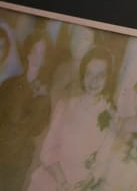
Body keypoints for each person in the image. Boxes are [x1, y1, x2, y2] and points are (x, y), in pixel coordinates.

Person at [27, 47, 115, 191]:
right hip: (51, 178)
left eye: (101, 75)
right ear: (83, 75)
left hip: (80, 186)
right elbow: (46, 151)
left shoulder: (111, 116)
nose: (94, 81)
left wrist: (83, 185)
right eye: (89, 74)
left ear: (108, 78)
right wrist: (62, 182)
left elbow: (102, 163)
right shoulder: (65, 105)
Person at [0, 33, 54, 191]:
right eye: (34, 50)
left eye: (42, 53)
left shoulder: (45, 96)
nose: (37, 56)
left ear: (45, 59)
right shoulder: (9, 85)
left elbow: (37, 129)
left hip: (19, 161)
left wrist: (41, 99)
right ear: (28, 52)